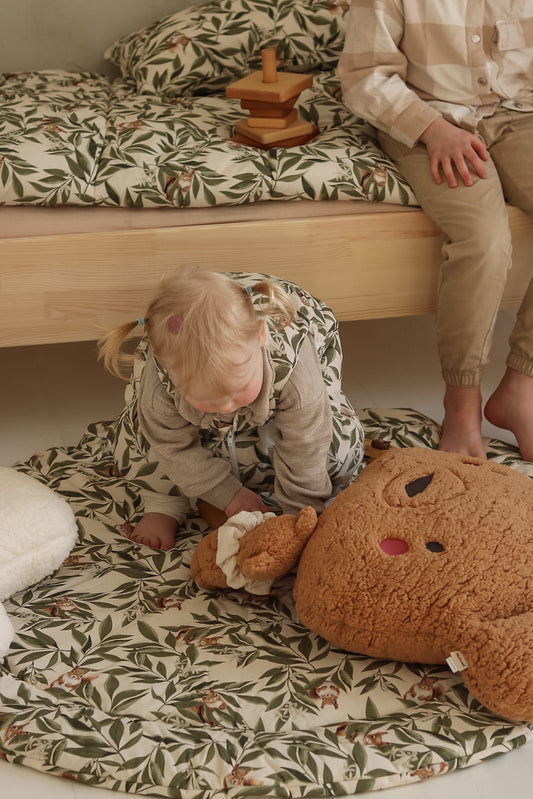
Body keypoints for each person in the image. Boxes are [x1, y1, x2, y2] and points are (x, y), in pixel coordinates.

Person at [338, 1, 533, 461]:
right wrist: (430, 128)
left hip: (521, 115)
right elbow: (365, 76)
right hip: (429, 120)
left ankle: (520, 388)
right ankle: (461, 406)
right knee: (484, 241)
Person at [98, 268, 364, 550]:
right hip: (176, 433)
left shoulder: (295, 369)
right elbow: (170, 446)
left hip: (293, 411)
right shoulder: (161, 382)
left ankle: (286, 487)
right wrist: (228, 494)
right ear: (166, 365)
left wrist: (300, 515)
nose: (225, 407)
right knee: (144, 442)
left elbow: (307, 442)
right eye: (205, 398)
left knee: (335, 451)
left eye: (238, 389)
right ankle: (165, 501)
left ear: (260, 336)